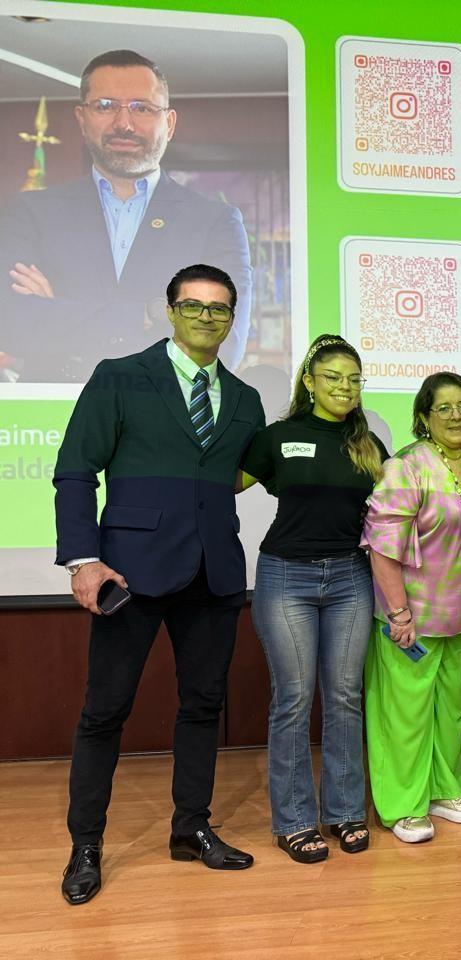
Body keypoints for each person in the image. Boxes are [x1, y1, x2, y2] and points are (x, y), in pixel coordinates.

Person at [53, 263, 265, 905]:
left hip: (215, 574)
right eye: (194, 306)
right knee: (104, 712)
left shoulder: (247, 398)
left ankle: (190, 829)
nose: (207, 317)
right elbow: (74, 471)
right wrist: (82, 559)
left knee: (203, 708)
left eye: (220, 308)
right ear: (170, 310)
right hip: (129, 574)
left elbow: (243, 473)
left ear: (232, 317)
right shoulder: (120, 376)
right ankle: (85, 845)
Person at [1, 49, 252, 382]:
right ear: (81, 118)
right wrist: (147, 316)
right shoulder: (30, 212)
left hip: (164, 421)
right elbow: (12, 324)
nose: (124, 123)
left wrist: (58, 308)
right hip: (54, 423)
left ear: (169, 123)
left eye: (142, 108)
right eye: (105, 106)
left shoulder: (216, 222)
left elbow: (222, 345)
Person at [238, 335, 387, 863]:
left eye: (353, 378)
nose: (344, 387)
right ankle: (296, 820)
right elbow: (226, 483)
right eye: (333, 377)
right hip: (286, 578)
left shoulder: (369, 444)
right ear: (309, 381)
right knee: (294, 699)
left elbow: (390, 517)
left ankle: (345, 812)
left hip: (350, 577)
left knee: (345, 697)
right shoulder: (278, 437)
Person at [362, 373, 461, 843]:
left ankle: (445, 790)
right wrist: (398, 613)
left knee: (451, 712)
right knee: (405, 714)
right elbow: (382, 547)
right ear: (423, 417)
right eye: (444, 408)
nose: (455, 416)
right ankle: (402, 805)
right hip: (408, 616)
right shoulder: (407, 466)